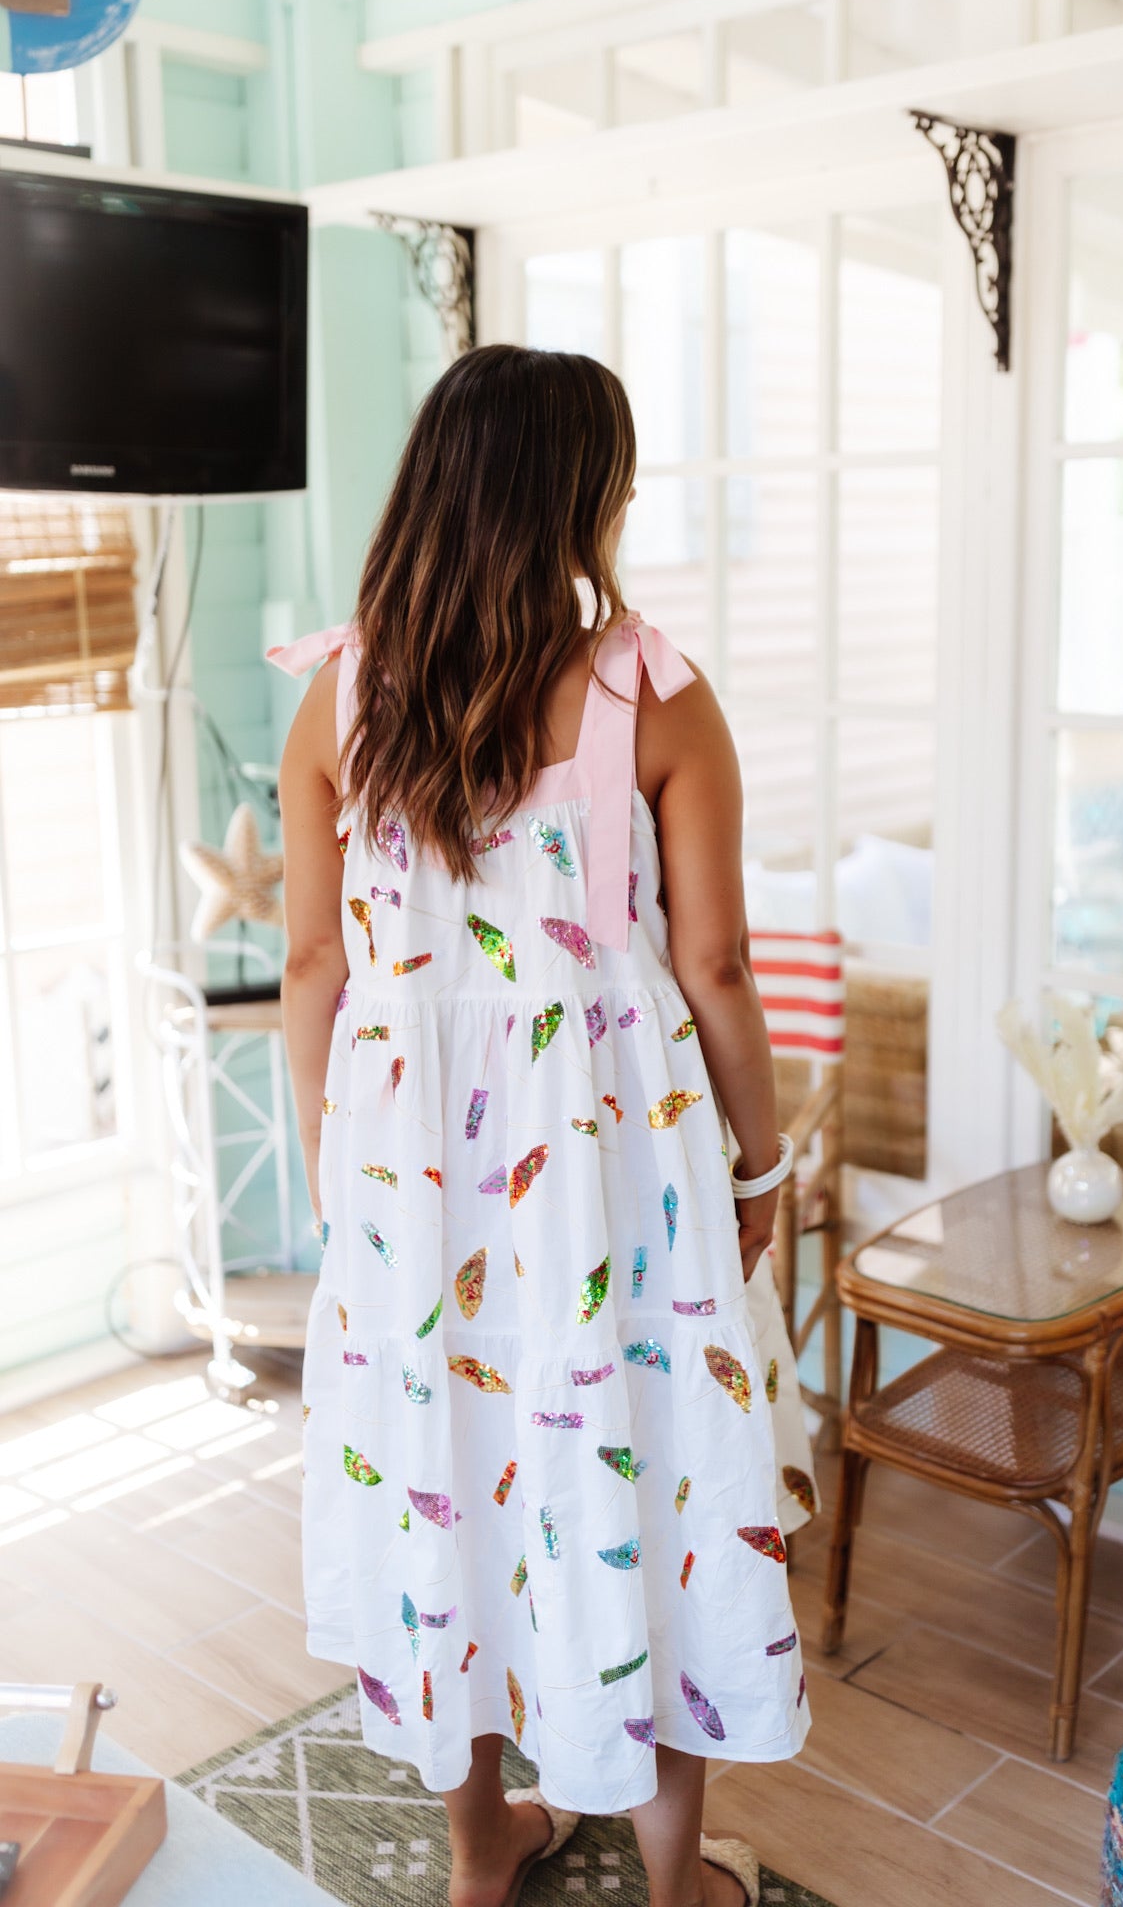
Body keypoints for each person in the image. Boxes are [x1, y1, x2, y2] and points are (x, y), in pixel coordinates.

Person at [273, 344, 814, 1907]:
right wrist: (762, 1167)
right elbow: (712, 965)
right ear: (585, 496)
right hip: (614, 1164)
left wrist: (339, 1161)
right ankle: (673, 1887)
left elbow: (318, 963)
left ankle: (475, 1853)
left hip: (408, 1167)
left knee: (447, 1458)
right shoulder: (653, 690)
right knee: (641, 1476)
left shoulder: (337, 695)